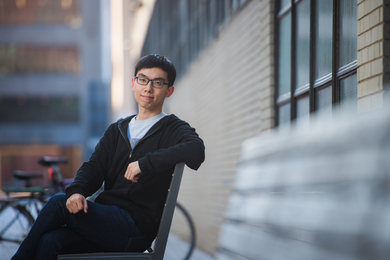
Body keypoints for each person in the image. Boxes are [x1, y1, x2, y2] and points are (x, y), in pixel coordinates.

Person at [12, 54, 205, 260]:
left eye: (157, 83)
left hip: (134, 229)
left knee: (58, 204)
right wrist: (77, 192)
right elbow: (94, 167)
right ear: (133, 83)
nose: (148, 88)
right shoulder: (118, 130)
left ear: (169, 90)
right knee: (50, 241)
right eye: (143, 79)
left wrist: (145, 163)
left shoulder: (172, 128)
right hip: (106, 221)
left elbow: (196, 149)